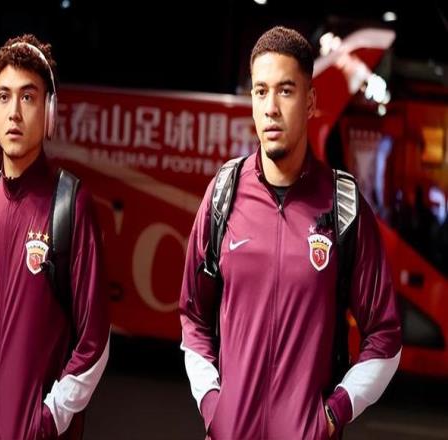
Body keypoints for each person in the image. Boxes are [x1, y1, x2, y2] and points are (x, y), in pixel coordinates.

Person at [180, 26, 402, 440]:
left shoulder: (343, 204)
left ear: (311, 102)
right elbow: (193, 317)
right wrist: (214, 405)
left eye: (285, 91)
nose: (271, 108)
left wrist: (334, 413)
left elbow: (385, 336)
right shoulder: (223, 193)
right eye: (260, 91)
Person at [0, 34, 110, 439]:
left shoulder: (70, 205)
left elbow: (94, 342)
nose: (14, 113)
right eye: (4, 97)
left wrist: (48, 419)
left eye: (28, 97)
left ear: (49, 110)